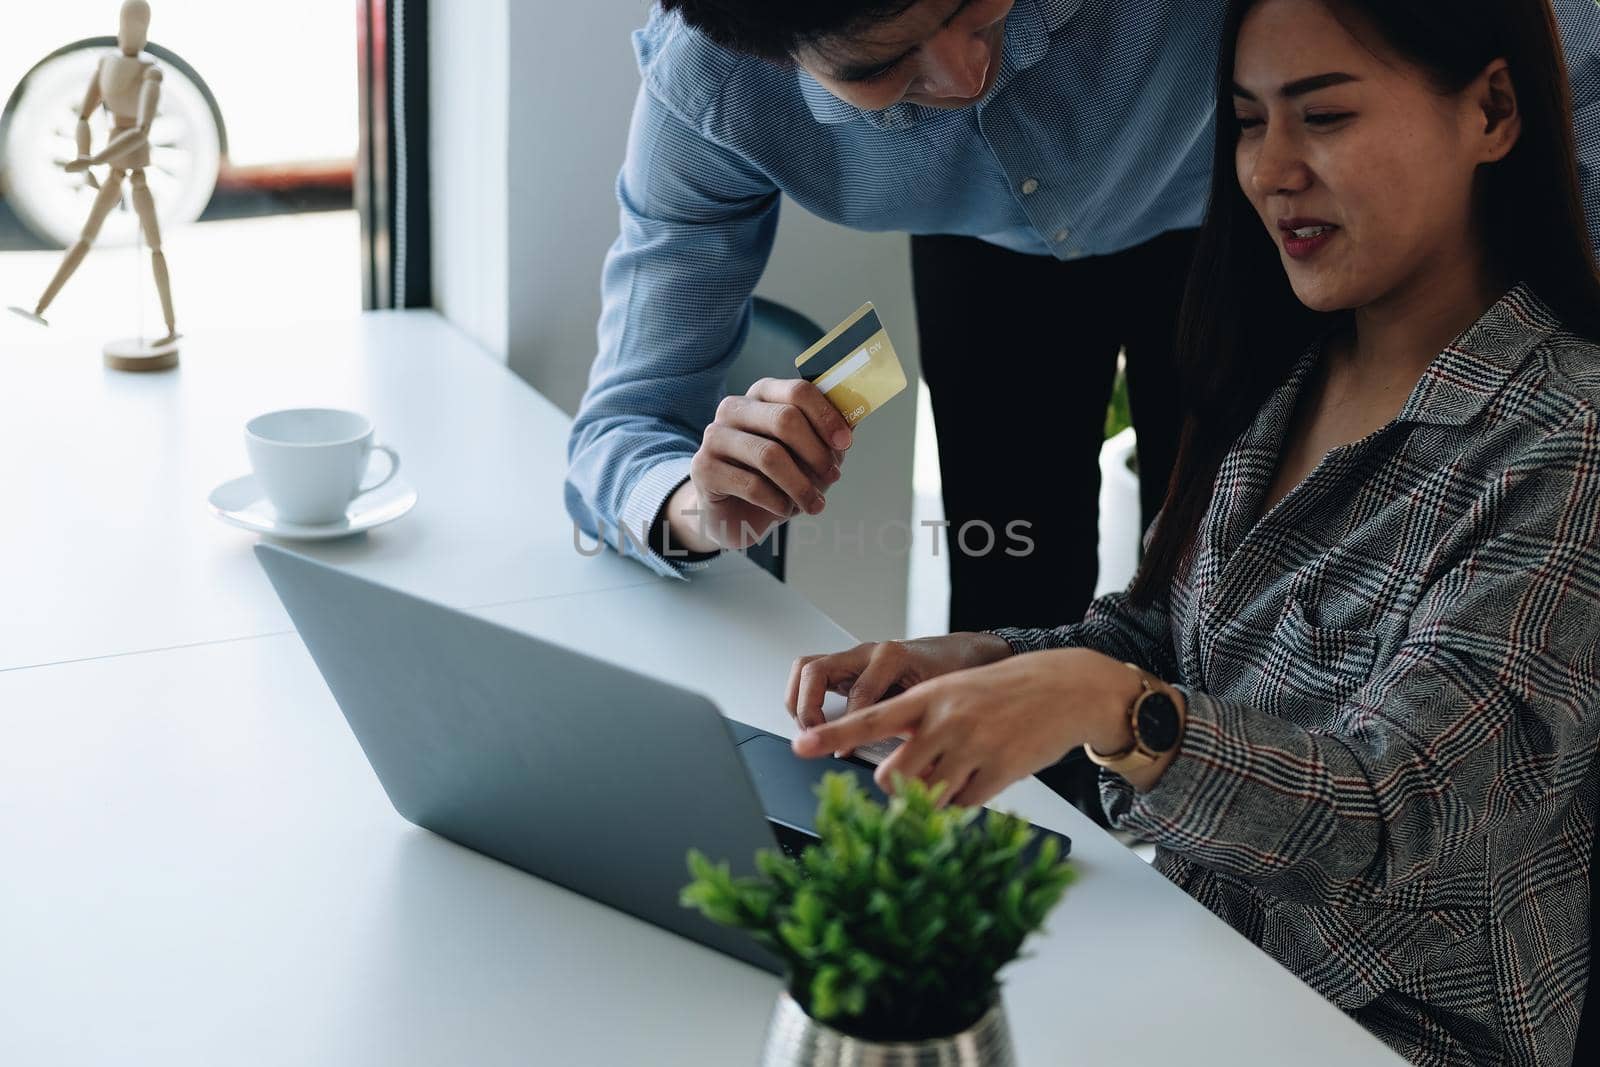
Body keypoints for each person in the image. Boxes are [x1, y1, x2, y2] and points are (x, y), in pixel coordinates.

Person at [786, 0, 1600, 1061]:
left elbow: (1397, 809)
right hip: (1181, 963)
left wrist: (1114, 706)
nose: (1273, 169)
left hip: (1383, 1034)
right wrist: (972, 666)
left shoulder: (1565, 439)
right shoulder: (1276, 368)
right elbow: (1158, 635)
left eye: (1325, 116)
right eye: (1248, 121)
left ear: (1491, 110)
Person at [563, 0, 1600, 824]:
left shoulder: (1544, 430)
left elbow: (1537, 50)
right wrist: (696, 501)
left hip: (1231, 224)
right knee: (1074, 583)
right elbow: (617, 432)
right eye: (883, 68)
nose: (966, 78)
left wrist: (1511, 331)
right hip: (995, 257)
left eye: (974, 9)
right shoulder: (708, 83)